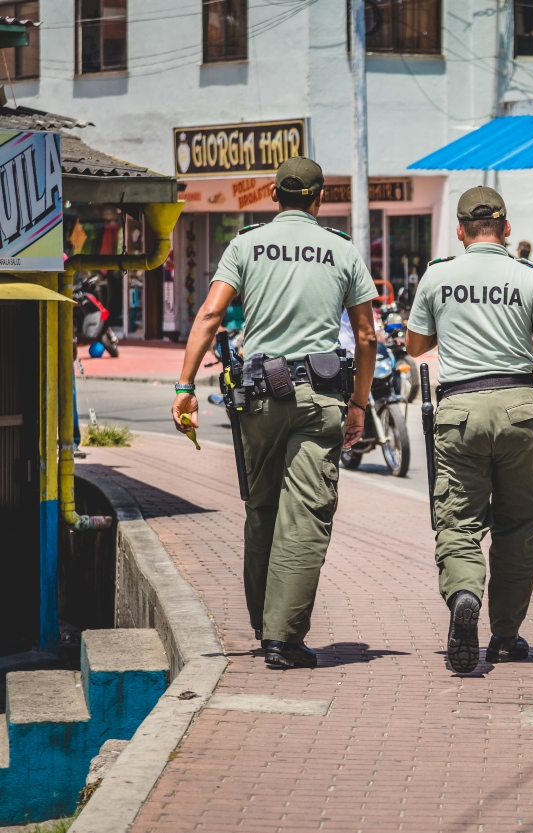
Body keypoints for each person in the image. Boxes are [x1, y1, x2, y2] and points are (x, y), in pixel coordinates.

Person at [171, 156, 378, 670]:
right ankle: (284, 639)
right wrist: (358, 403)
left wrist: (184, 385)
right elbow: (369, 335)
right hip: (320, 398)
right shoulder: (341, 250)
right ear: (319, 198)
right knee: (305, 516)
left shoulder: (245, 244)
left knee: (262, 510)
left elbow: (211, 313)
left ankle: (266, 628)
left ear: (272, 193)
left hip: (259, 397)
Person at [405, 186, 533, 674]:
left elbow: (415, 345)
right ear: (507, 227)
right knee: (519, 525)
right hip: (520, 406)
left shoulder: (438, 276)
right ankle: (506, 634)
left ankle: (465, 595)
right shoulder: (532, 279)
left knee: (458, 523)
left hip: (459, 409)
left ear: (459, 230)